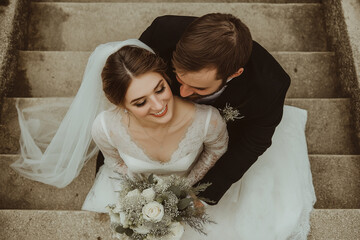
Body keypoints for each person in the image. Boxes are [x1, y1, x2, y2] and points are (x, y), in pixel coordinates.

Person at [13, 39, 315, 239]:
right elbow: (115, 161)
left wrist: (184, 188)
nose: (159, 106)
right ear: (120, 106)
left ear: (167, 76)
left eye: (160, 89)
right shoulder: (104, 128)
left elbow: (217, 151)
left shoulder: (207, 120)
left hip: (194, 193)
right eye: (140, 102)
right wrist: (139, 190)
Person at [135, 13, 293, 204]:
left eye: (199, 88)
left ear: (234, 74)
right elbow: (130, 83)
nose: (183, 93)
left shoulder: (269, 87)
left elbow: (253, 142)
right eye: (178, 77)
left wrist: (203, 192)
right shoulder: (161, 34)